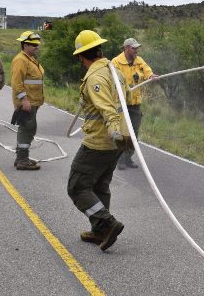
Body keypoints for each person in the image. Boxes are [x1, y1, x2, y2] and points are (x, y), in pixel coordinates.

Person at [68, 30, 131, 251]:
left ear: (81, 56)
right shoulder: (115, 71)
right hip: (117, 142)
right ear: (99, 50)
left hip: (101, 141)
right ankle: (99, 231)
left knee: (77, 186)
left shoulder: (96, 77)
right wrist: (121, 136)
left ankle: (107, 223)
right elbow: (127, 100)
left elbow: (107, 109)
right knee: (99, 184)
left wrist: (114, 131)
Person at [111, 37, 157, 170]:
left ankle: (128, 158)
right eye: (133, 48)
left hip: (135, 104)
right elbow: (113, 80)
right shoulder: (116, 62)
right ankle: (119, 159)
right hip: (122, 104)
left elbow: (146, 70)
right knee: (123, 133)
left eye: (137, 48)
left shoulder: (139, 60)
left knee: (134, 133)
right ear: (126, 48)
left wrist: (151, 76)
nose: (136, 50)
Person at [10, 31, 44, 171]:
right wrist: (24, 99)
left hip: (33, 101)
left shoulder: (30, 58)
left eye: (37, 44)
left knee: (29, 128)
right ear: (25, 45)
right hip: (26, 101)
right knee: (27, 128)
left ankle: (21, 158)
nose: (37, 46)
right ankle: (22, 160)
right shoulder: (21, 60)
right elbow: (17, 82)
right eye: (33, 44)